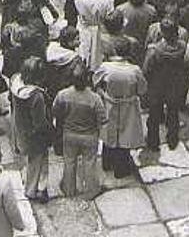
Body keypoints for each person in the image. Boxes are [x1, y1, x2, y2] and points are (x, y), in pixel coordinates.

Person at [94, 36, 147, 180]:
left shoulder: (105, 67)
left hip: (110, 103)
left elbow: (94, 82)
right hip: (128, 105)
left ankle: (107, 162)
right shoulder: (134, 70)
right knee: (125, 135)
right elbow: (142, 89)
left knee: (108, 133)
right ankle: (121, 169)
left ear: (115, 51)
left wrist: (102, 93)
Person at [52, 62, 105, 199]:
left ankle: (69, 190)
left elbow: (55, 112)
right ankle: (91, 190)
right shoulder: (95, 98)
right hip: (89, 135)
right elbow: (102, 119)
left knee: (69, 162)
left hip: (69, 134)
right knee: (89, 163)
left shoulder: (63, 95)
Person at [10, 56, 53, 202]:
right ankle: (35, 190)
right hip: (36, 136)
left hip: (21, 130)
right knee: (39, 162)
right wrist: (49, 130)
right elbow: (40, 121)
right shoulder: (36, 96)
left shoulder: (16, 84)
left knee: (29, 160)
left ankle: (31, 183)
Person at [142, 18, 187, 151]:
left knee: (154, 115)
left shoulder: (154, 50)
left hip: (157, 85)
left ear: (162, 32)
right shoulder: (183, 46)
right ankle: (172, 140)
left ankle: (153, 142)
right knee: (173, 113)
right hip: (175, 83)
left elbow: (146, 69)